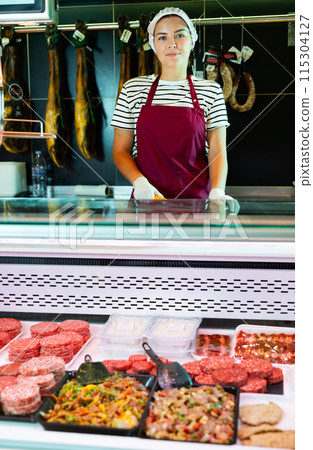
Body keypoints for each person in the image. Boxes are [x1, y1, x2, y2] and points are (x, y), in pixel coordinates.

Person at [111, 7, 239, 214]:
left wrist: (217, 192)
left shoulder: (210, 91)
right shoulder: (132, 89)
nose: (172, 44)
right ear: (153, 45)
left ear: (192, 41)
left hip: (197, 206)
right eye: (162, 38)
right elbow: (120, 151)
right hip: (147, 204)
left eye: (180, 35)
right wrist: (140, 183)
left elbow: (217, 151)